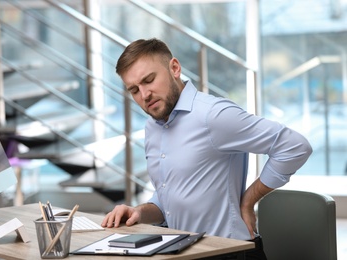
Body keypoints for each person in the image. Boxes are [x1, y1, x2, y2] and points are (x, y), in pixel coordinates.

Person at [101, 38, 312, 259]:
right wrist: (139, 212)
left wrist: (249, 200)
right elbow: (170, 196)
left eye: (149, 80)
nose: (144, 95)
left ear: (174, 68)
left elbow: (294, 146)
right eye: (134, 90)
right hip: (182, 251)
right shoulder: (152, 128)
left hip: (229, 252)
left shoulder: (213, 115)